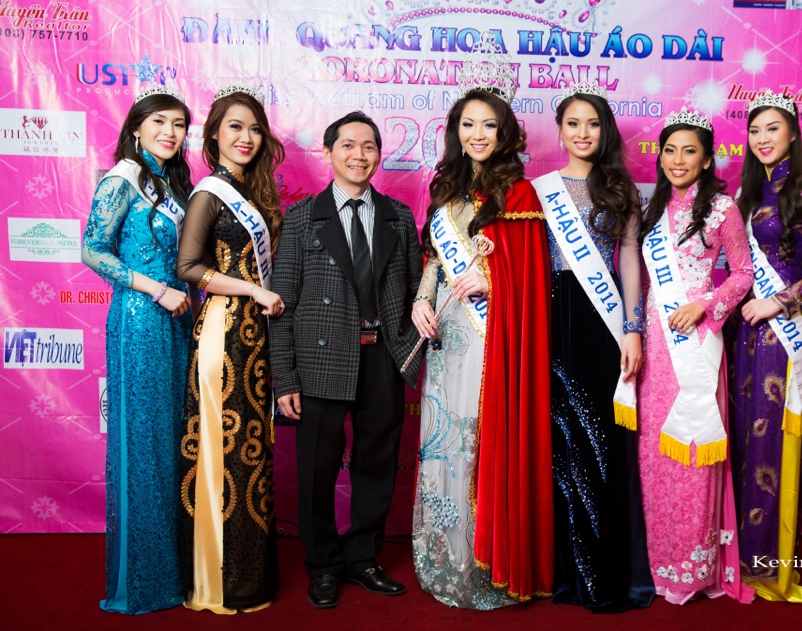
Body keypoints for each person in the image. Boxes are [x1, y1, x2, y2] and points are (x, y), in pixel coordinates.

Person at [410, 31, 554, 605]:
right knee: (443, 442)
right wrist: (422, 299)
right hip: (446, 334)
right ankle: (445, 557)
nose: (477, 134)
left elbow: (529, 278)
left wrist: (491, 279)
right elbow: (431, 257)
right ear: (456, 130)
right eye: (468, 124)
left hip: (493, 339)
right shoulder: (443, 187)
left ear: (506, 133)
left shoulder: (519, 193)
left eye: (488, 125)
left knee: (480, 440)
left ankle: (487, 561)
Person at [269, 111, 422, 610]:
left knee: (377, 466)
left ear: (380, 154)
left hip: (383, 358)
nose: (360, 155)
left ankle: (363, 559)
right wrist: (284, 376)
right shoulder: (300, 218)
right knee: (316, 470)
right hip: (320, 362)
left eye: (370, 146)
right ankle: (324, 566)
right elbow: (282, 301)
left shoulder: (400, 217)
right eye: (349, 145)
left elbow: (417, 290)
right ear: (329, 152)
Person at [530, 84, 654, 612]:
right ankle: (563, 573)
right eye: (573, 123)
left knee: (601, 442)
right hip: (554, 320)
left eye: (593, 124)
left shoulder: (621, 189)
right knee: (560, 443)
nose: (583, 133)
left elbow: (629, 260)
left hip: (603, 327)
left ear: (605, 132)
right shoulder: (537, 190)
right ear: (559, 130)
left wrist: (632, 327)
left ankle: (604, 572)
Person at [727, 91, 802, 603]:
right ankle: (736, 555)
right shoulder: (745, 194)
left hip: (781, 334)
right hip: (741, 331)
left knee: (772, 440)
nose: (762, 139)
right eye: (755, 131)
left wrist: (781, 301)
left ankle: (769, 564)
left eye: (772, 129)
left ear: (793, 134)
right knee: (740, 435)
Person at [81, 85, 193, 614]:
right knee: (143, 446)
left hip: (175, 322)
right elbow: (91, 250)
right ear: (137, 127)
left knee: (171, 444)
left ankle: (170, 572)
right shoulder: (122, 179)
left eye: (179, 125)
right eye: (160, 123)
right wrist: (154, 288)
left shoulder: (170, 181)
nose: (170, 133)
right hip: (140, 320)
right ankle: (141, 583)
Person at [636, 107, 754, 605]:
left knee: (690, 451)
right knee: (653, 454)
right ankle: (654, 561)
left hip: (697, 342)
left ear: (707, 160)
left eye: (690, 151)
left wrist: (704, 304)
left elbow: (743, 275)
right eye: (670, 150)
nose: (678, 159)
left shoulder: (723, 208)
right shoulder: (651, 207)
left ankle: (690, 567)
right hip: (655, 344)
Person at [176, 85, 285, 613]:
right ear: (214, 133)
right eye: (235, 127)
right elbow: (189, 270)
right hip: (223, 334)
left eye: (254, 128)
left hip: (255, 339)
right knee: (224, 453)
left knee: (250, 455)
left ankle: (248, 572)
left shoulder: (255, 194)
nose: (246, 137)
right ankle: (218, 581)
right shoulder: (208, 194)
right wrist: (252, 289)